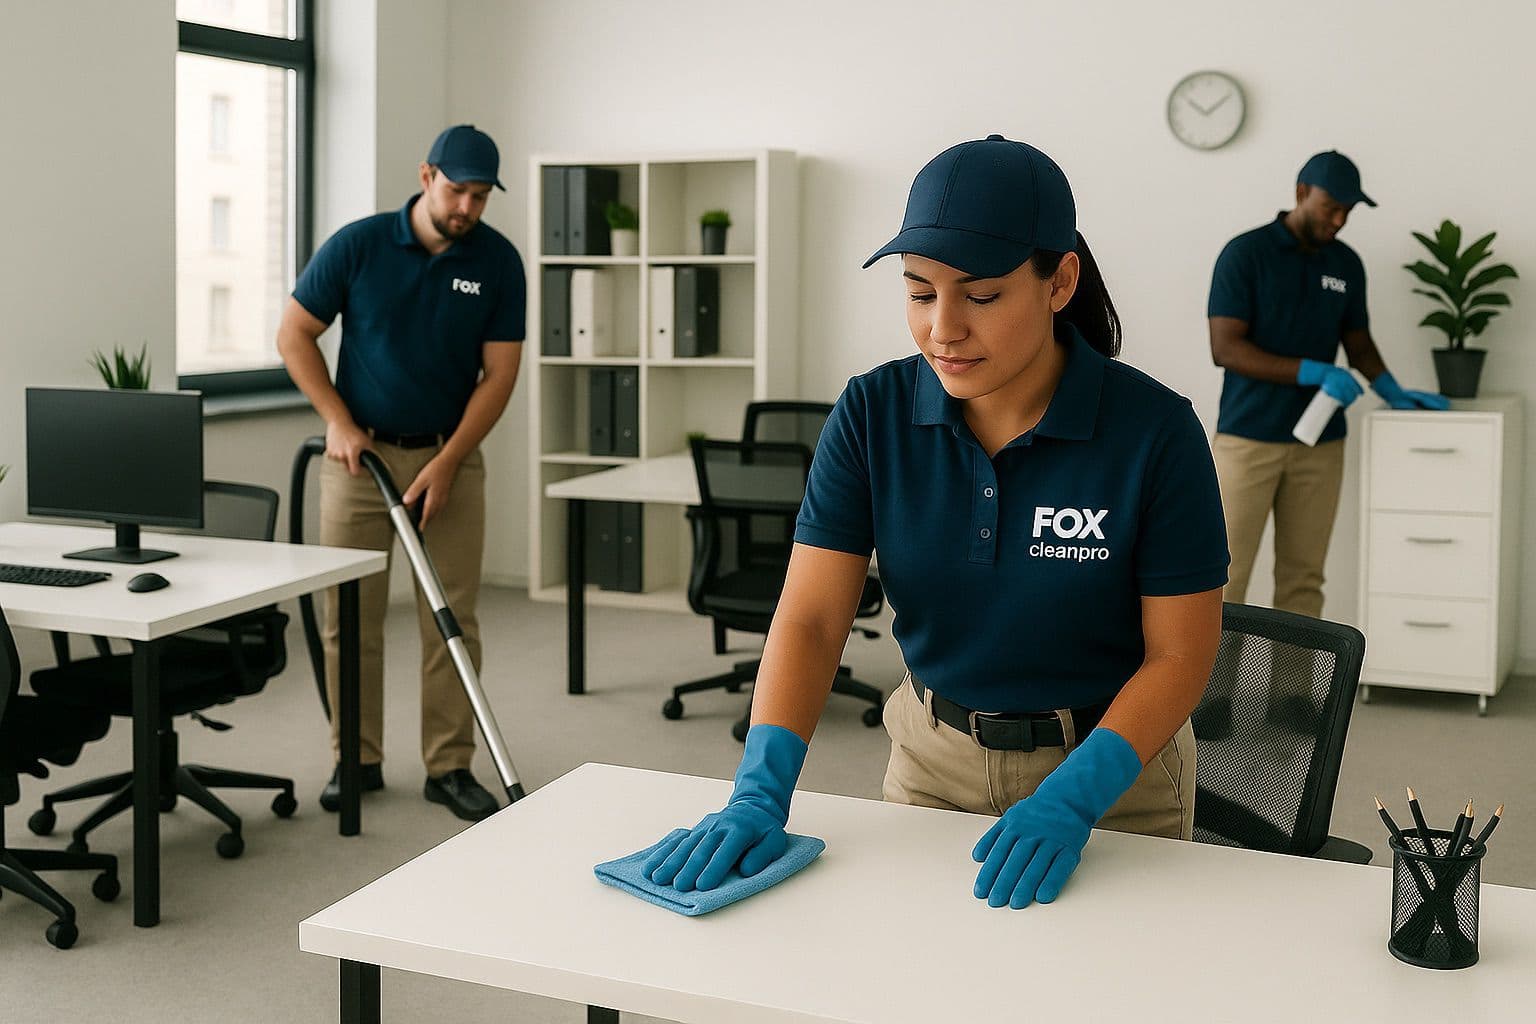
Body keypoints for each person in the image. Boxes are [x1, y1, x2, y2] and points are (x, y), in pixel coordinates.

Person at [638, 135, 1230, 910]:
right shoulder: (871, 413)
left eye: (980, 296)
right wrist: (759, 793)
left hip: (1115, 778)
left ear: (1059, 282)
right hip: (931, 765)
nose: (943, 328)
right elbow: (815, 618)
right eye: (920, 293)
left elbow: (1181, 654)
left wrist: (1074, 797)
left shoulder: (1155, 431)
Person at [276, 125, 525, 822]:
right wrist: (338, 419)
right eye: (457, 190)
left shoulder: (498, 262)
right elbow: (294, 334)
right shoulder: (358, 246)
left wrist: (448, 462)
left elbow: (500, 374)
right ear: (426, 175)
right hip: (359, 462)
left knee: (451, 619)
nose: (467, 208)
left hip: (451, 457)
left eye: (480, 196)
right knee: (346, 618)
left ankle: (449, 765)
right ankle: (353, 759)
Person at [1207, 150, 1448, 621]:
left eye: (1348, 212)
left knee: (1304, 579)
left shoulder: (1346, 265)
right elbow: (1226, 348)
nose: (1339, 220)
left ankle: (1293, 695)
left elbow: (1357, 341)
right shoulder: (1245, 254)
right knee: (1222, 580)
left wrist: (1393, 390)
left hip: (1320, 446)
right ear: (1302, 193)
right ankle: (1209, 696)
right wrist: (1311, 371)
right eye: (1330, 207)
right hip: (1248, 440)